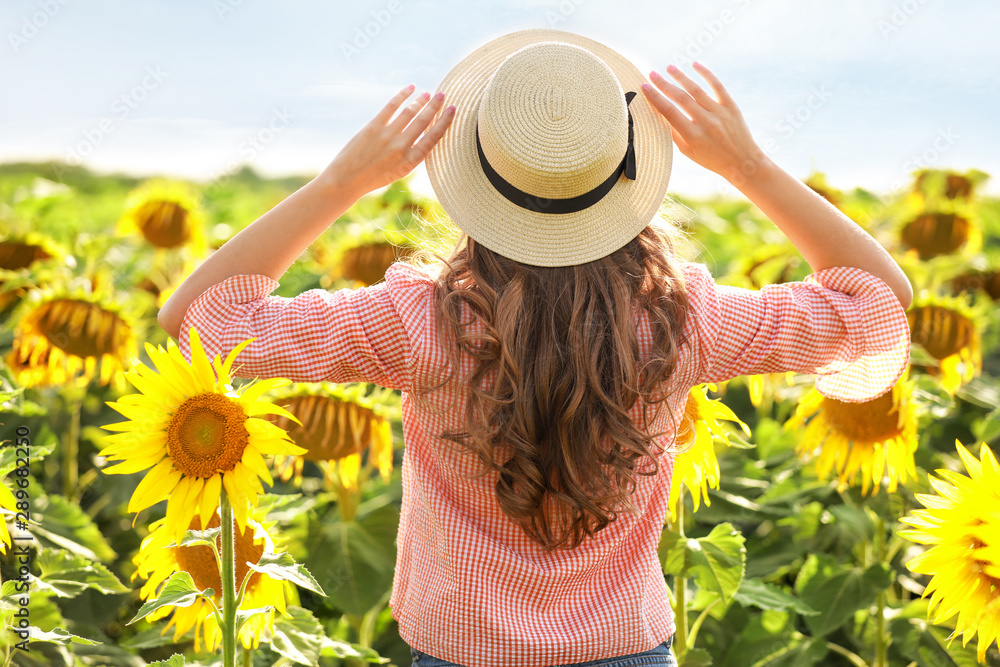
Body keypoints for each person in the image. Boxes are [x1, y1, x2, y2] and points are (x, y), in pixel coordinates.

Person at [158, 29, 911, 667]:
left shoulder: (418, 320)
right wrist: (751, 167)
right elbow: (880, 306)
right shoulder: (684, 319)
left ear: (473, 176)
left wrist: (340, 182)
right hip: (630, 648)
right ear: (628, 175)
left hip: (459, 649)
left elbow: (198, 321)